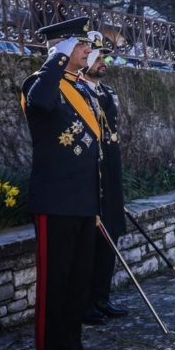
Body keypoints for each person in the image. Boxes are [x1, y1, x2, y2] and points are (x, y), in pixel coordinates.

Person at [21, 17, 113, 350]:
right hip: (55, 203)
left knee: (77, 285)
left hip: (84, 202)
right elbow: (41, 105)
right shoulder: (39, 83)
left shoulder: (82, 88)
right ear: (60, 49)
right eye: (80, 45)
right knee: (54, 287)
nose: (88, 50)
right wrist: (56, 61)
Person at [78, 32, 128, 325]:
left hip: (111, 169)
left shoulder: (106, 91)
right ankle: (86, 303)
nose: (102, 61)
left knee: (111, 235)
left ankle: (101, 297)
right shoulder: (78, 90)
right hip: (91, 172)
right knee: (92, 241)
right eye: (95, 56)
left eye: (104, 56)